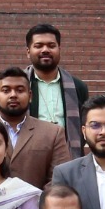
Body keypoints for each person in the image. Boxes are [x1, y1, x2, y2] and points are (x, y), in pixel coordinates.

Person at [0, 66, 71, 189]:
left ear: (30, 96)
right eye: (6, 90)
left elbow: (60, 178)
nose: (13, 95)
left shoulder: (53, 133)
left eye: (20, 90)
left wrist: (37, 200)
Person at [26, 23, 89, 152]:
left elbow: (85, 125)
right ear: (28, 52)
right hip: (29, 156)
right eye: (38, 46)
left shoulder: (78, 87)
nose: (45, 50)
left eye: (51, 46)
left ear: (59, 49)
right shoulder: (19, 86)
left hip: (67, 156)